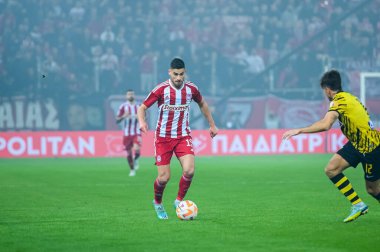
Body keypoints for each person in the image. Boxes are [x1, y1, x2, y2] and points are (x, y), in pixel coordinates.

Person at [282, 69, 380, 223]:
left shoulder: (338, 101)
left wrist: (299, 130)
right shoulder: (349, 97)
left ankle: (359, 204)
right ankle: (358, 205)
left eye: (324, 91)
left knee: (373, 190)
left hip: (370, 148)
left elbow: (325, 124)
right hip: (357, 144)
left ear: (327, 89)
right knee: (331, 169)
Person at [137, 58, 218, 219]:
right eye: (175, 74)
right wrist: (142, 121)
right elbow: (143, 107)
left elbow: (203, 104)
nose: (179, 78)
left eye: (181, 74)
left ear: (185, 72)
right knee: (164, 177)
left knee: (189, 170)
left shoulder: (191, 89)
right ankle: (158, 203)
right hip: (163, 138)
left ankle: (178, 201)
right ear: (169, 72)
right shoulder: (161, 90)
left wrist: (212, 124)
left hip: (183, 136)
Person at [116, 89, 141, 177]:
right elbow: (117, 120)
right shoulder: (123, 106)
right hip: (127, 133)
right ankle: (132, 170)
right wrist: (124, 116)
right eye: (129, 94)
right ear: (126, 96)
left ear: (134, 95)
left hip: (136, 132)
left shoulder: (139, 106)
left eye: (132, 94)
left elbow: (145, 117)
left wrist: (140, 117)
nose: (130, 96)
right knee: (128, 153)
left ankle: (136, 159)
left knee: (137, 150)